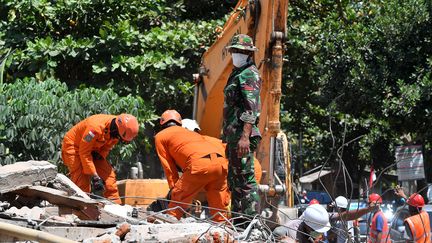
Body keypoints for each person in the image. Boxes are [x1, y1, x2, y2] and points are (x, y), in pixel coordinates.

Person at [154, 110, 229, 222]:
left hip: (199, 164)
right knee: (219, 209)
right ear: (180, 123)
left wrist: (174, 189)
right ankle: (225, 232)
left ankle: (167, 227)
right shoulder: (191, 133)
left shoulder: (160, 136)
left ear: (162, 123)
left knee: (177, 204)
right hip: (221, 165)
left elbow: (168, 167)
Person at [223, 33, 262, 218]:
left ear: (249, 54)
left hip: (243, 136)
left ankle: (251, 221)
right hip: (234, 136)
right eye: (235, 50)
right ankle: (239, 221)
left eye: (241, 51)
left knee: (245, 180)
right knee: (235, 180)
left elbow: (251, 109)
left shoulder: (249, 74)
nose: (236, 54)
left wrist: (245, 137)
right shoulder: (237, 73)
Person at [62, 113, 139, 204]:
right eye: (120, 138)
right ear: (118, 130)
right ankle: (82, 211)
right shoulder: (94, 128)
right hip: (74, 147)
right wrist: (95, 176)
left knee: (110, 179)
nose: (118, 140)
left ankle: (116, 208)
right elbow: (84, 153)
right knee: (82, 183)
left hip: (93, 150)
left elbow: (106, 147)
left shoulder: (116, 131)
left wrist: (100, 157)